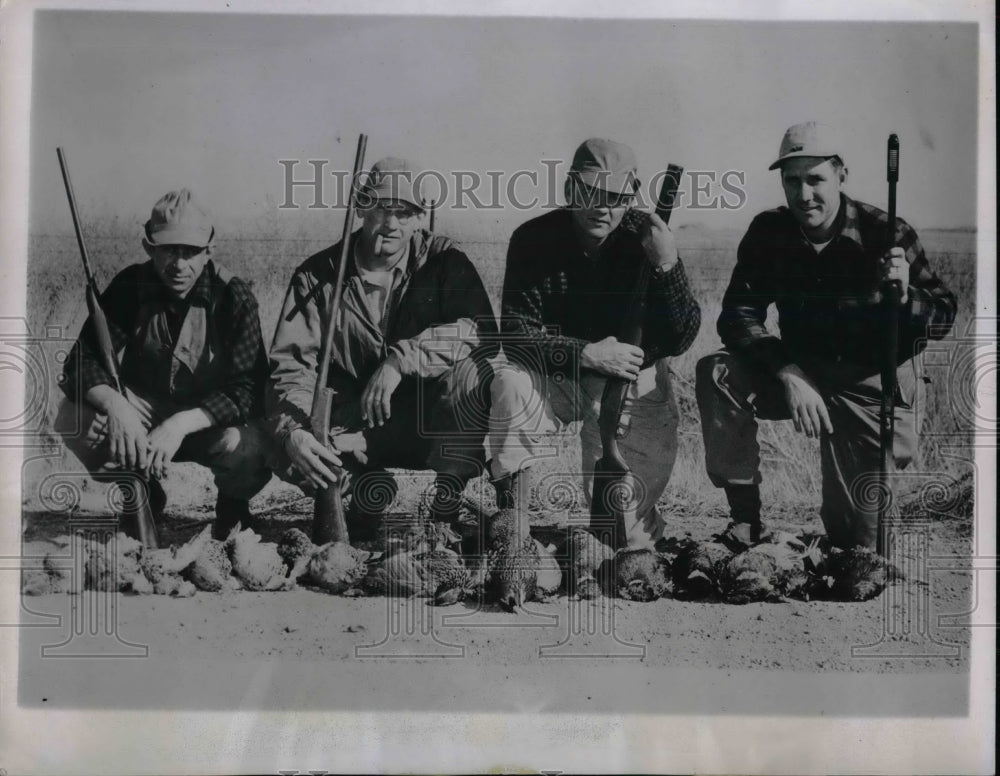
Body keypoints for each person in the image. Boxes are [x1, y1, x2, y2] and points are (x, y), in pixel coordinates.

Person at [695, 121, 957, 549]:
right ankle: (746, 521)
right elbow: (738, 316)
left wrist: (906, 295)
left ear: (841, 175)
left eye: (815, 179)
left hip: (871, 385)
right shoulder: (768, 232)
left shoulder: (886, 233)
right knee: (717, 372)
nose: (804, 195)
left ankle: (856, 519)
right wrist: (787, 371)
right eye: (791, 180)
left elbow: (944, 314)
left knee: (858, 548)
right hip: (803, 373)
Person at [488, 138, 701, 549]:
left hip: (628, 378)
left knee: (626, 544)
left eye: (616, 196)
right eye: (590, 192)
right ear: (570, 188)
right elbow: (514, 335)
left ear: (632, 196)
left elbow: (681, 336)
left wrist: (667, 265)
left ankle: (627, 524)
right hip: (558, 372)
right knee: (510, 384)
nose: (602, 207)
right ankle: (511, 524)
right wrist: (585, 353)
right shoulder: (533, 239)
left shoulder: (651, 238)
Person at [267, 156, 497, 534]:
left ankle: (447, 506)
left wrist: (400, 360)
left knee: (472, 375)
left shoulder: (445, 262)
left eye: (404, 212)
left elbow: (478, 330)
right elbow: (290, 365)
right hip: (353, 421)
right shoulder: (317, 275)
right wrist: (295, 432)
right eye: (380, 208)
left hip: (423, 418)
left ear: (421, 218)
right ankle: (363, 489)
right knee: (281, 432)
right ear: (360, 208)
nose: (391, 224)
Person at [57, 189, 272, 540]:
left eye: (190, 252)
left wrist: (180, 424)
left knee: (251, 446)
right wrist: (116, 407)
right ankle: (140, 493)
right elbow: (80, 361)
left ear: (209, 252)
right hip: (140, 419)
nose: (178, 263)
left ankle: (233, 507)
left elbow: (249, 389)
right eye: (169, 250)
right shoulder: (130, 285)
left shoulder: (235, 295)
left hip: (207, 422)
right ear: (149, 248)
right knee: (73, 418)